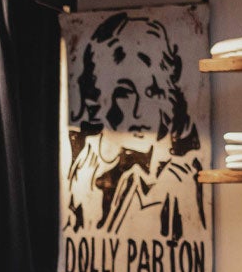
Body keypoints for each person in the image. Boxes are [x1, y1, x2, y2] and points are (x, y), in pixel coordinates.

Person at [64, 13, 208, 245]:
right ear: (98, 98)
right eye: (126, 93)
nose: (141, 111)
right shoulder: (84, 166)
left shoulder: (179, 180)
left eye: (153, 93)